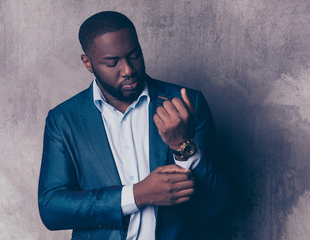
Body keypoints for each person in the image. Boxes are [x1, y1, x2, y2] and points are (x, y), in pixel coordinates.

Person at [38, 11, 230, 240]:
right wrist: (137, 195)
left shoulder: (185, 103)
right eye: (112, 62)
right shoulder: (64, 120)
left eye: (134, 55)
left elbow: (218, 204)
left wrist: (183, 146)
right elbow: (52, 209)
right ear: (87, 63)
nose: (128, 70)